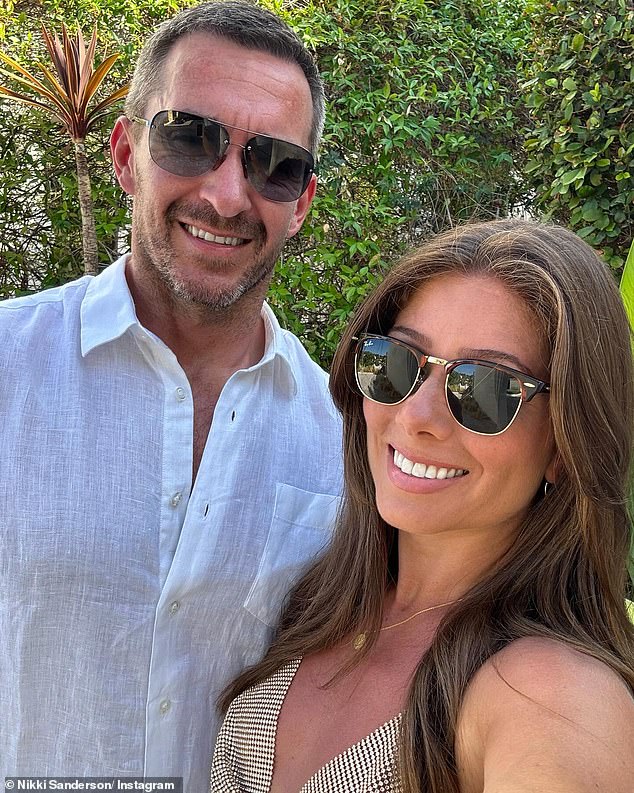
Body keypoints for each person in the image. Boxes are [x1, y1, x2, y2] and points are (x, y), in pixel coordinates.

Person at [0, 3, 342, 790]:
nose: (227, 196)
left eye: (274, 163)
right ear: (126, 155)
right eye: (190, 138)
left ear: (302, 203)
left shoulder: (338, 436)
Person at [210, 219, 634, 792]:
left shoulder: (550, 696)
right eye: (398, 362)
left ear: (565, 445)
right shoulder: (321, 605)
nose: (415, 416)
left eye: (487, 387)